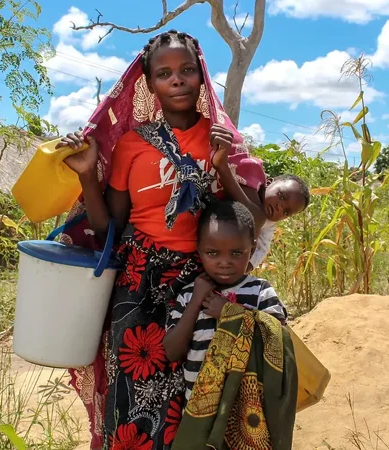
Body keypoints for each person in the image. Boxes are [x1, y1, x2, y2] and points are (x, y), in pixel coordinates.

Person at [54, 30, 265, 450]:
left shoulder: (221, 141)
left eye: (187, 70)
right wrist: (86, 173)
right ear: (149, 84)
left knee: (197, 398)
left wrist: (223, 168)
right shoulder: (132, 145)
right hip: (138, 286)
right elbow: (108, 224)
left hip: (201, 285)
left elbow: (252, 223)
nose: (178, 80)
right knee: (130, 397)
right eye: (165, 73)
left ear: (202, 78)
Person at [163, 200, 297, 450]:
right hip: (199, 409)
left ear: (252, 248)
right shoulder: (187, 295)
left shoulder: (260, 292)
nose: (224, 262)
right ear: (199, 249)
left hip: (250, 410)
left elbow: (279, 341)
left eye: (237, 253)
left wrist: (229, 313)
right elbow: (172, 351)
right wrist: (195, 302)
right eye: (213, 253)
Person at [213, 146, 311, 270]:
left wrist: (244, 269)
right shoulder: (249, 183)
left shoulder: (269, 224)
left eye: (286, 212)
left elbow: (262, 249)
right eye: (281, 196)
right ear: (268, 182)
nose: (279, 208)